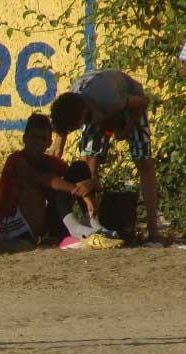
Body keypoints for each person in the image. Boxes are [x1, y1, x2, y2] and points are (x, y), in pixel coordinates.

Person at [50, 69, 161, 246]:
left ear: (83, 114)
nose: (74, 130)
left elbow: (143, 102)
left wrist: (124, 130)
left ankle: (154, 232)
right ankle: (92, 221)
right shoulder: (69, 107)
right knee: (86, 165)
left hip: (131, 101)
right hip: (98, 103)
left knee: (143, 162)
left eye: (76, 126)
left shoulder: (110, 101)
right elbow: (57, 152)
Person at [0, 113, 123, 249]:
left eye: (43, 138)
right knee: (44, 187)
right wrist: (81, 192)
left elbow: (78, 177)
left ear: (49, 143)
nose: (38, 142)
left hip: (41, 222)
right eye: (34, 137)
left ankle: (91, 221)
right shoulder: (16, 160)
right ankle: (73, 228)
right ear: (25, 138)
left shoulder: (49, 161)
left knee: (78, 168)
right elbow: (45, 180)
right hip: (12, 225)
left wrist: (90, 183)